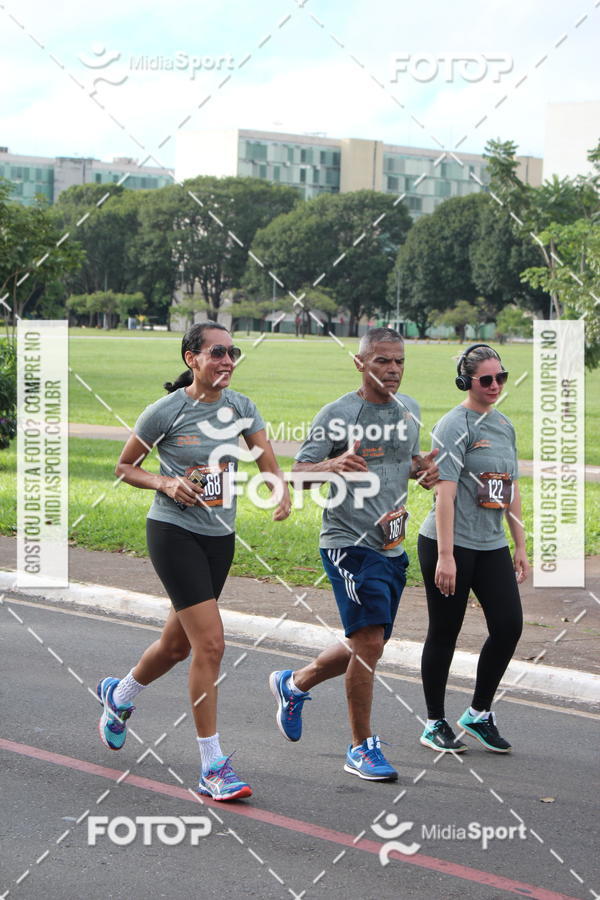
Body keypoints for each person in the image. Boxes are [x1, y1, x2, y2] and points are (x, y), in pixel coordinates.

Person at [97, 322, 291, 800]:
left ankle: (119, 696)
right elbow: (125, 467)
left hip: (218, 538)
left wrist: (279, 488)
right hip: (172, 532)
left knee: (177, 647)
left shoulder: (242, 407)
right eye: (218, 352)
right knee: (211, 645)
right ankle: (212, 767)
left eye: (234, 353)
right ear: (193, 360)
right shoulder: (166, 411)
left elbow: (267, 461)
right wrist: (165, 483)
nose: (228, 361)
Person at [269, 328, 439, 782]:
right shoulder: (337, 415)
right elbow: (297, 473)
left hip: (392, 546)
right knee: (367, 645)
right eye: (383, 360)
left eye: (400, 361)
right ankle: (361, 747)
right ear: (360, 363)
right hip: (348, 545)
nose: (394, 369)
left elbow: (399, 460)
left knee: (371, 643)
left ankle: (295, 684)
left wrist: (420, 468)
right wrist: (331, 465)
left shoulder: (410, 411)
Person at [417, 343, 529, 754]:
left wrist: (520, 544)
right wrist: (446, 556)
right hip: (449, 544)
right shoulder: (454, 424)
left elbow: (510, 488)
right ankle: (434, 722)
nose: (496, 384)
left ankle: (478, 714)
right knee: (445, 631)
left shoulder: (503, 425)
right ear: (467, 382)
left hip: (490, 543)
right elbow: (443, 495)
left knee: (509, 625)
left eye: (501, 377)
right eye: (487, 379)